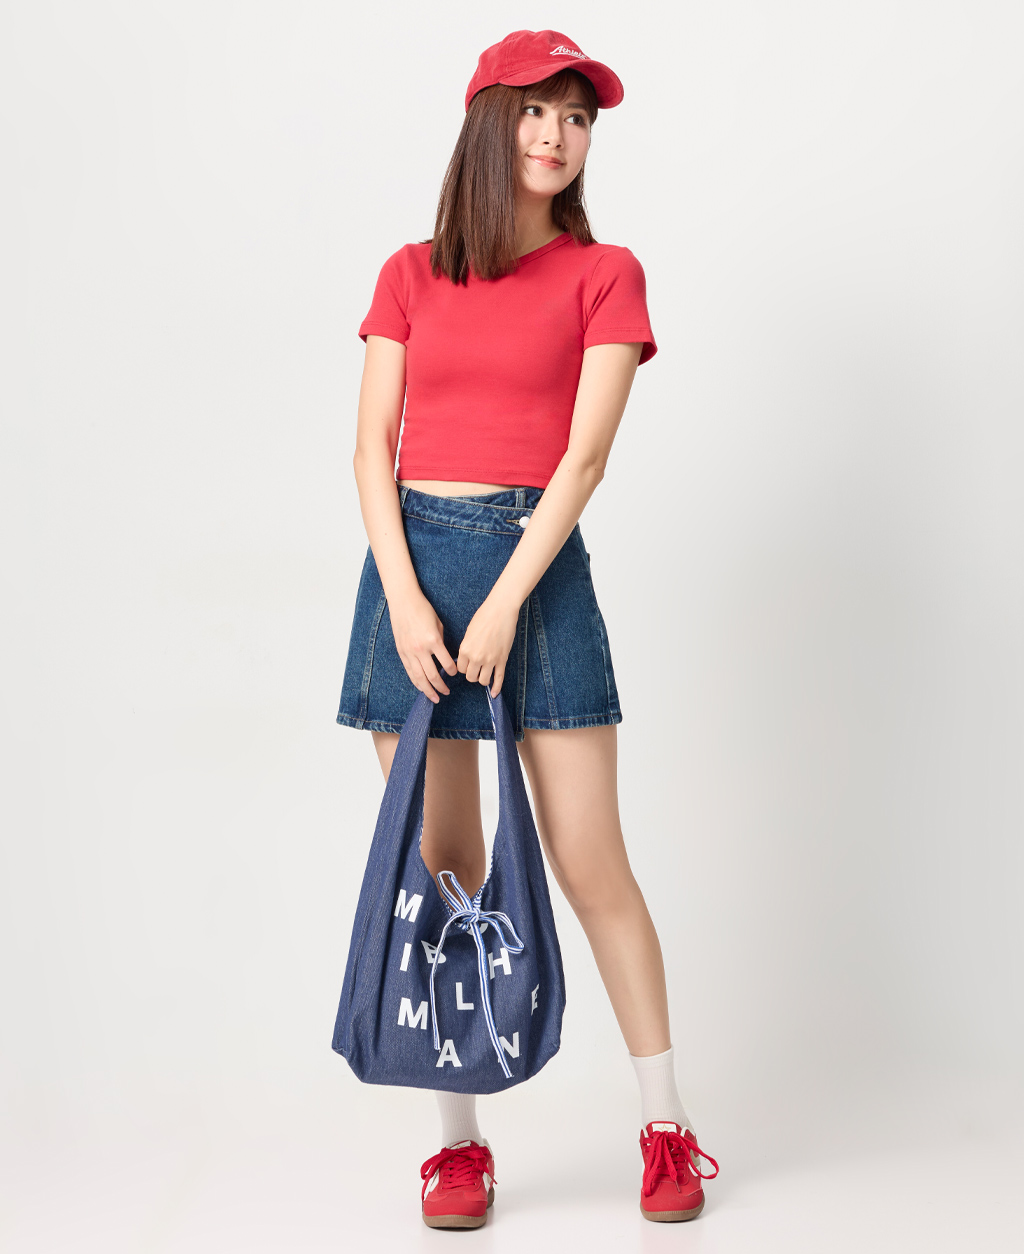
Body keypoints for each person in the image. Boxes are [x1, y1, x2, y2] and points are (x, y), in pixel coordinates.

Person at [336, 29, 719, 1228]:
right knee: (442, 870)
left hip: (535, 574)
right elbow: (370, 450)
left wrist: (503, 598)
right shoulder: (408, 273)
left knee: (588, 861)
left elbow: (584, 458)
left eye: (577, 116)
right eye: (536, 111)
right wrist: (408, 597)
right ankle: (458, 1149)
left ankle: (665, 1127)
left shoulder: (605, 275)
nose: (557, 134)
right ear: (487, 126)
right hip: (411, 571)